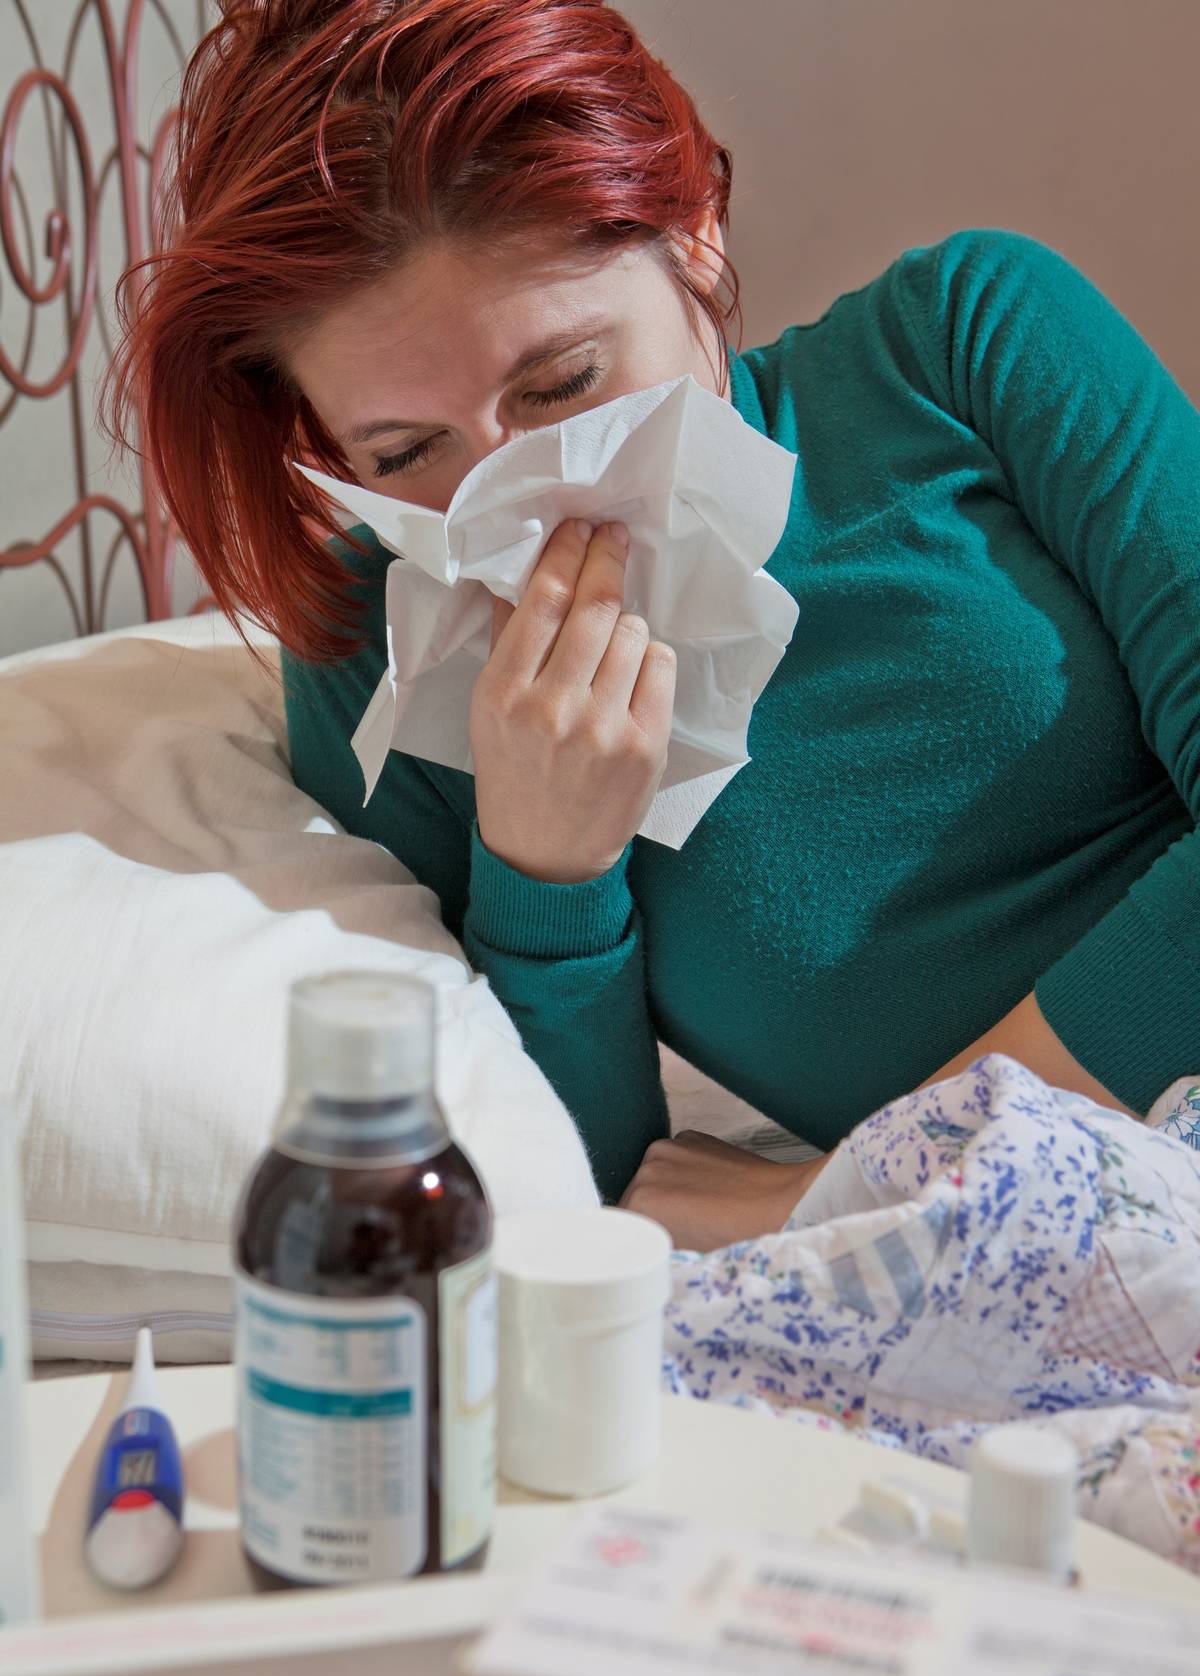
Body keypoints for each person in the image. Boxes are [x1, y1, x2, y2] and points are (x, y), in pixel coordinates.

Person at [110, 0, 1200, 1251]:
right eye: (406, 452)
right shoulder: (379, 661)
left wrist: (877, 1183)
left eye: (564, 384)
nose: (516, 497)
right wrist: (545, 873)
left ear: (696, 240)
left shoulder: (961, 343)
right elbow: (577, 1198)